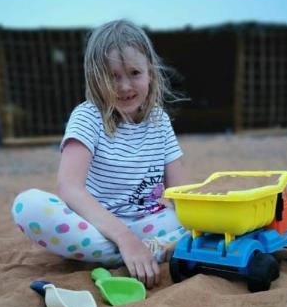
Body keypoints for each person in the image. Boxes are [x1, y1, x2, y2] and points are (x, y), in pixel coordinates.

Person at [11, 20, 189, 287]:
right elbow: (70, 189)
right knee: (28, 206)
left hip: (148, 223)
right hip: (98, 227)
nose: (125, 86)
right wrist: (125, 238)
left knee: (197, 218)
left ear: (150, 72)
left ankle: (127, 253)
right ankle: (141, 250)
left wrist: (199, 215)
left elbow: (182, 192)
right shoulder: (87, 117)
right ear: (95, 77)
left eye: (134, 73)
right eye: (113, 76)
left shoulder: (159, 121)